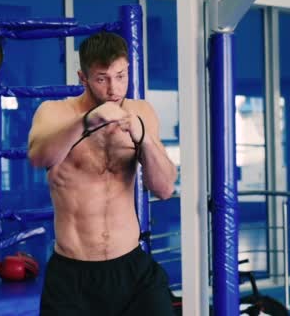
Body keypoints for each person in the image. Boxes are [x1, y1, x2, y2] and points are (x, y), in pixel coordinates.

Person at [28, 32, 178, 315]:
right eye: (102, 78)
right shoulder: (55, 112)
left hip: (132, 270)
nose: (114, 89)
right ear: (82, 78)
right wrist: (85, 123)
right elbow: (39, 157)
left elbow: (164, 188)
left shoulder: (141, 111)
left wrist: (142, 137)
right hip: (74, 277)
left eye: (121, 76)